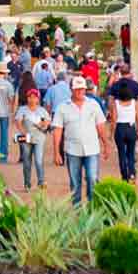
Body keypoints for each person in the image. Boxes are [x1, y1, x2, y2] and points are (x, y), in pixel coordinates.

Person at [53, 77, 110, 205]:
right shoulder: (62, 107)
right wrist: (57, 152)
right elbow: (57, 130)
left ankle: (92, 206)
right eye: (76, 89)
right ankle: (77, 209)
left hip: (92, 149)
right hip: (72, 150)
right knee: (75, 182)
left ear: (85, 89)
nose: (79, 92)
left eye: (82, 89)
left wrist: (106, 144)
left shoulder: (93, 105)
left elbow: (100, 126)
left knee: (92, 178)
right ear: (71, 90)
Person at [107, 63, 138, 182]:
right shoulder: (135, 85)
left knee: (121, 153)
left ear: (120, 72)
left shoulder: (115, 86)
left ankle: (124, 176)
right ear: (130, 71)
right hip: (131, 125)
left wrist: (111, 132)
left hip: (119, 127)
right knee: (131, 152)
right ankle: (132, 173)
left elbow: (110, 104)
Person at [13, 88, 52, 191]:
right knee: (27, 162)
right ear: (27, 98)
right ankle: (27, 184)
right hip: (27, 138)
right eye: (30, 97)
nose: (32, 99)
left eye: (34, 97)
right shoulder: (23, 109)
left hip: (39, 138)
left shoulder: (42, 110)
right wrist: (23, 132)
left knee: (39, 161)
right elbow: (18, 121)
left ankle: (41, 182)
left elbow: (47, 121)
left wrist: (43, 124)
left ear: (38, 99)